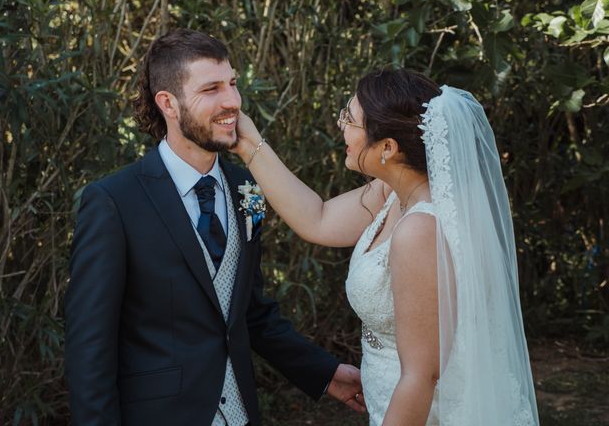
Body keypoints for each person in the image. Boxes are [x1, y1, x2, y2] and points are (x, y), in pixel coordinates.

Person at [64, 28, 365, 426]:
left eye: (233, 84)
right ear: (168, 103)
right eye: (211, 89)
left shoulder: (247, 188)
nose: (233, 102)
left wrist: (325, 373)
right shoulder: (114, 202)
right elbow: (90, 345)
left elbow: (250, 313)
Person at [232, 68, 540, 425]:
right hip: (387, 392)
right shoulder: (392, 192)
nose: (339, 124)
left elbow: (421, 376)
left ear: (388, 148)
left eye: (350, 118)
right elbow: (316, 218)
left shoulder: (420, 230)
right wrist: (247, 143)